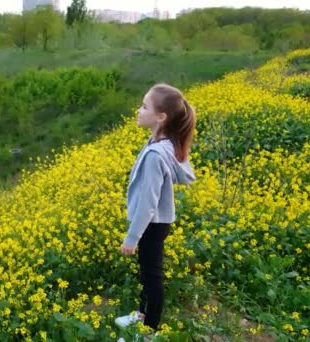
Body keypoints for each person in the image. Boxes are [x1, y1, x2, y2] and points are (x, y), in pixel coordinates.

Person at [115, 83, 196, 340]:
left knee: (152, 277)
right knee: (146, 271)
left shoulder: (154, 155)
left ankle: (148, 332)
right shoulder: (163, 143)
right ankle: (141, 315)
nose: (138, 110)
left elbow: (148, 204)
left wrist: (132, 237)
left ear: (161, 117)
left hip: (151, 223)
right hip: (156, 222)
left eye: (144, 106)